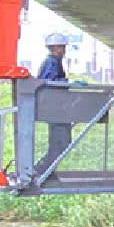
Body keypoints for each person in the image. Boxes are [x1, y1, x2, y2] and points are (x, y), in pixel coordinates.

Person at [35, 32, 72, 177]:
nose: (63, 50)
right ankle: (44, 170)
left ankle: (46, 170)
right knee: (61, 141)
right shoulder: (51, 63)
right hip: (54, 109)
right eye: (61, 47)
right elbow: (49, 82)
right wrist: (66, 83)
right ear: (55, 48)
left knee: (59, 142)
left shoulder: (54, 62)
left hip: (56, 108)